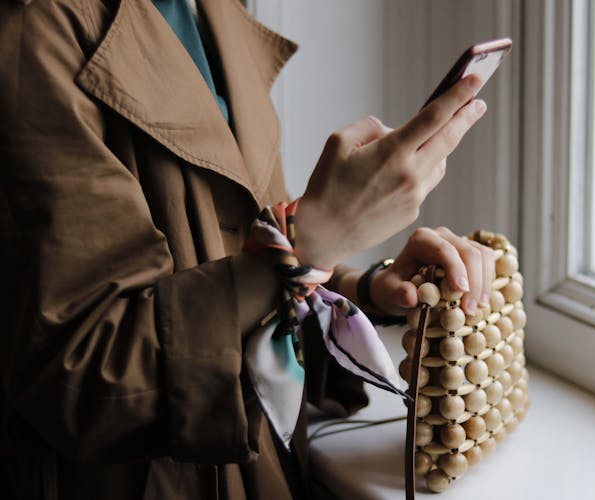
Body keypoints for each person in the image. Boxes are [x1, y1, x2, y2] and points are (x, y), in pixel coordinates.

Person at [0, 0, 496, 498]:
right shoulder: (31, 33)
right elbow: (81, 380)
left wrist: (356, 288)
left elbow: (233, 244)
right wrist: (305, 247)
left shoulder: (211, 10)